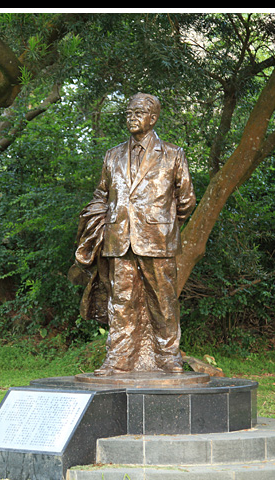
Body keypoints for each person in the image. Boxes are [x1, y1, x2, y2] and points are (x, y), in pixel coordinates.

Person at [75, 93, 196, 375]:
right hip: (118, 240)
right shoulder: (112, 155)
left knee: (163, 301)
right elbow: (101, 194)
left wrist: (161, 224)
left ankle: (168, 356)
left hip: (158, 240)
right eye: (128, 112)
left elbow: (186, 200)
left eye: (138, 112)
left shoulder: (172, 154)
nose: (132, 117)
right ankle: (118, 358)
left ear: (153, 118)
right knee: (120, 302)